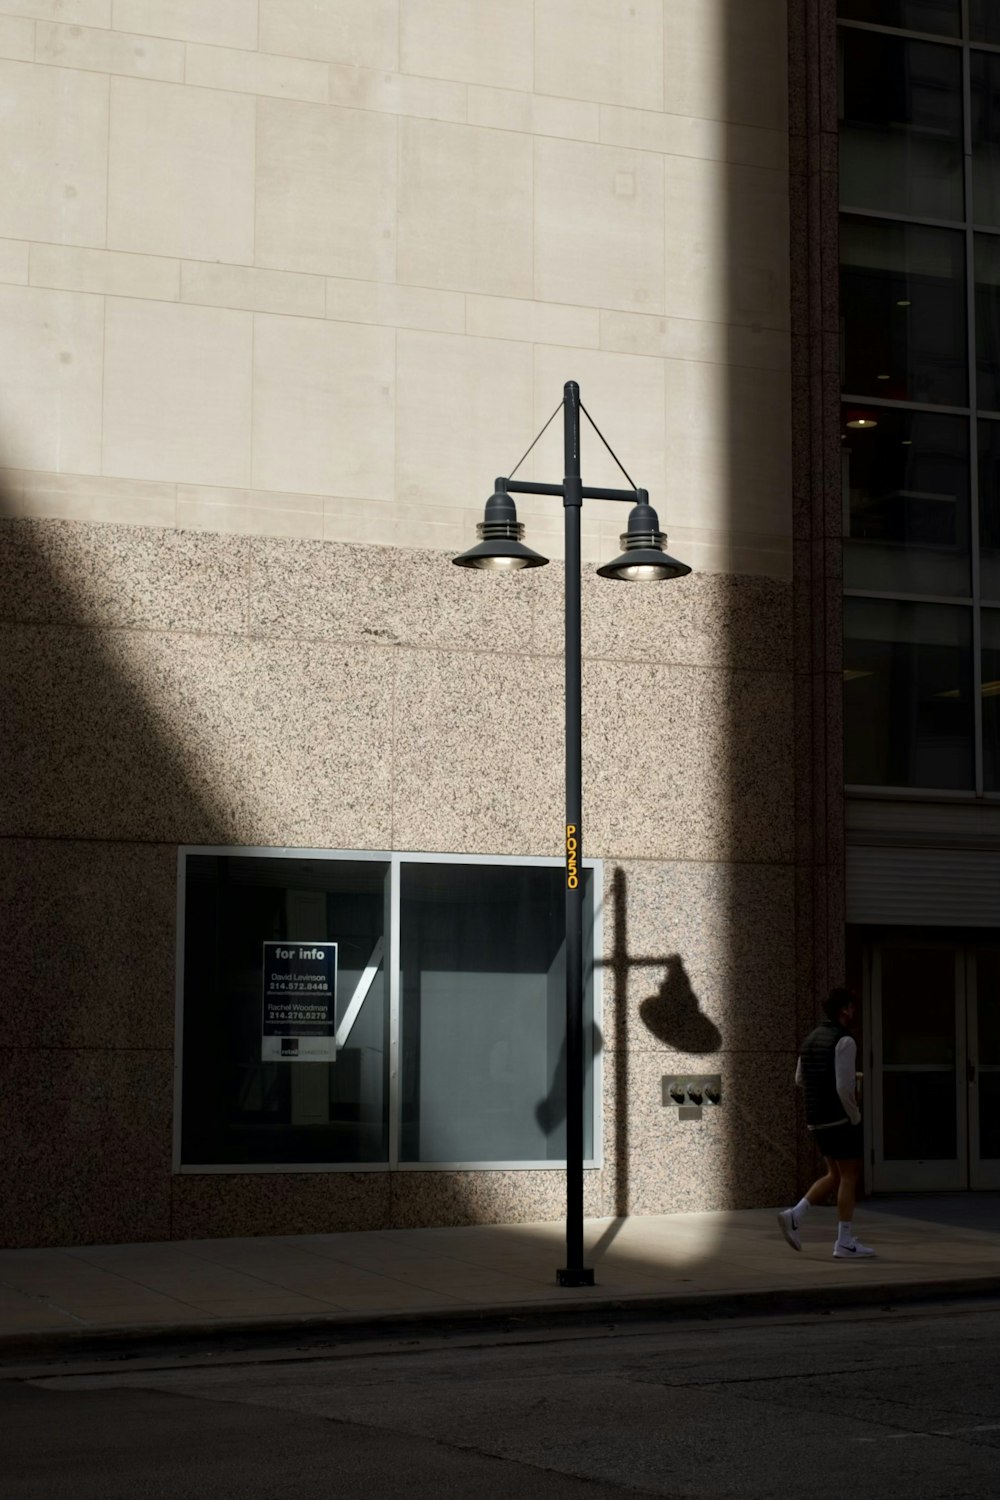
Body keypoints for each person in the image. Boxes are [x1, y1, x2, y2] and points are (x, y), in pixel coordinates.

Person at [777, 986, 875, 1259]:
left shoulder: (811, 1039)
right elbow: (844, 1087)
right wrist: (854, 1116)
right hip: (838, 1118)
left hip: (816, 1118)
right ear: (844, 1010)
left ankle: (795, 1215)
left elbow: (799, 1078)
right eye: (852, 1007)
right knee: (850, 1175)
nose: (854, 1012)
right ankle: (844, 1241)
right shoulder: (845, 1040)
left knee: (834, 1174)